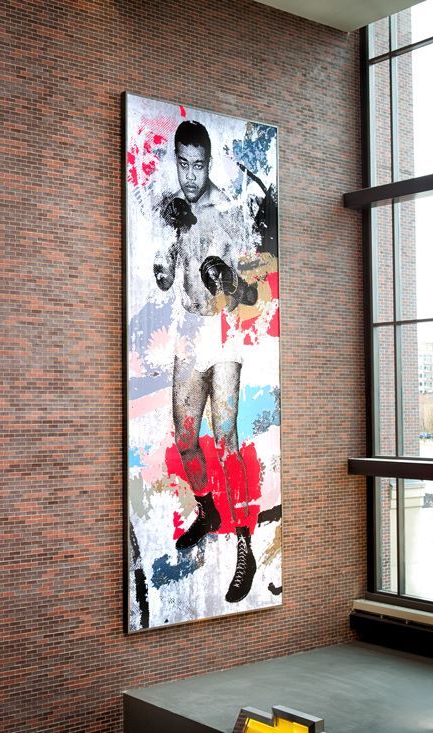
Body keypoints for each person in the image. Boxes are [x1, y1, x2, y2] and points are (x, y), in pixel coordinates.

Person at [153, 120, 259, 603]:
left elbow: (251, 291)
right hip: (190, 334)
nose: (191, 176)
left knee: (227, 441)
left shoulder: (228, 211)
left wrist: (228, 281)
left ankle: (244, 546)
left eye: (199, 165)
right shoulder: (172, 210)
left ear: (208, 164)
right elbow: (162, 277)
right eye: (183, 164)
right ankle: (207, 510)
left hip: (226, 334)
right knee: (184, 437)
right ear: (177, 161)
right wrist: (167, 248)